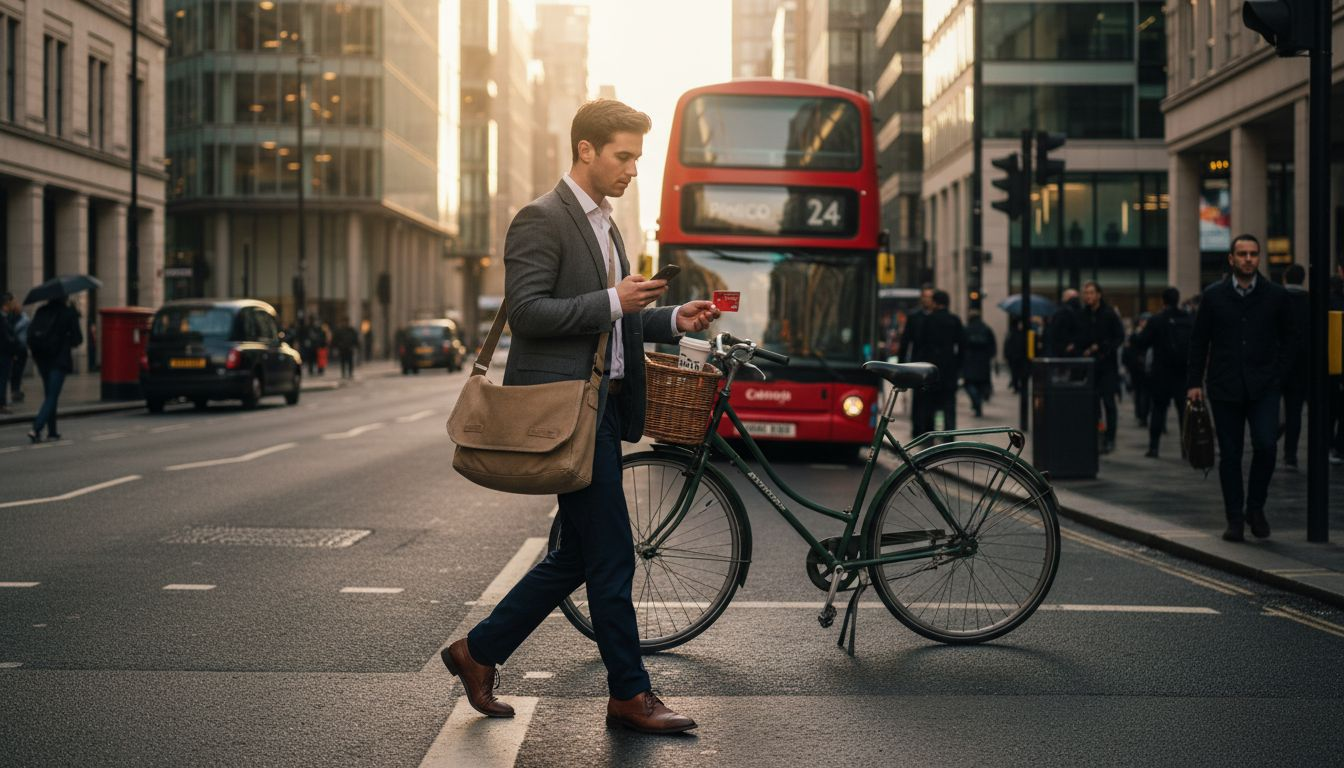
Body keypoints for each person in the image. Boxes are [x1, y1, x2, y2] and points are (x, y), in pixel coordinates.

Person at [441, 99, 718, 734]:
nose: (631, 170)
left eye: (637, 159)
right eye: (623, 156)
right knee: (613, 555)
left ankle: (477, 652)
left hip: (600, 410)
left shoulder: (608, 224)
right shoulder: (540, 219)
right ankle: (629, 694)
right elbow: (529, 313)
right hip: (564, 411)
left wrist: (672, 319)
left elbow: (613, 317)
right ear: (585, 150)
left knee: (579, 557)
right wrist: (610, 298)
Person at [1187, 234, 1296, 542]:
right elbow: (1199, 341)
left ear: (1259, 258)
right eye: (1242, 254)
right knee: (1231, 456)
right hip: (1225, 386)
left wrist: (1278, 375)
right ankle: (1234, 518)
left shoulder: (1276, 295)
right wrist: (1194, 382)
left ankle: (1255, 508)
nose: (1248, 259)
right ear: (1231, 259)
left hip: (1264, 386)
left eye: (1253, 254)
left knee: (1266, 446)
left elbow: (1290, 339)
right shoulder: (1214, 296)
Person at [1135, 288, 1192, 458]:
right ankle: (1186, 449)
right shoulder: (1188, 319)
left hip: (1161, 372)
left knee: (1158, 410)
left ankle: (1154, 447)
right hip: (1182, 372)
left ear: (1163, 300)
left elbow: (1142, 342)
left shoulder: (1157, 319)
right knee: (1184, 413)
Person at [26, 296, 83, 442]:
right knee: (52, 395)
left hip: (42, 358)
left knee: (50, 395)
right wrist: (75, 314)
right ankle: (36, 428)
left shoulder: (41, 310)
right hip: (59, 360)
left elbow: (31, 334)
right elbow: (78, 339)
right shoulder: (68, 313)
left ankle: (52, 431)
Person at [1075, 281, 1124, 453]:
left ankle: (1110, 439)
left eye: (1091, 293)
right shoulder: (1082, 314)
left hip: (1107, 366)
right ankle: (1096, 436)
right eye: (1085, 293)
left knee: (1109, 403)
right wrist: (1084, 349)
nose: (1088, 296)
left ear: (1098, 294)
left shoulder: (1109, 314)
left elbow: (1119, 337)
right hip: (1089, 366)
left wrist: (1104, 347)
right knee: (1092, 404)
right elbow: (1078, 337)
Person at [912, 290, 964, 435]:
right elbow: (962, 346)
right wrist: (957, 366)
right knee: (949, 406)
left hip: (931, 370)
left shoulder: (928, 320)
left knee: (929, 406)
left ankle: (929, 436)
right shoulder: (955, 320)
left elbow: (920, 344)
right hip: (949, 370)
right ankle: (949, 436)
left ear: (935, 303)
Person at [1279, 264, 1309, 471]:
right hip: (1301, 366)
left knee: (1267, 408)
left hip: (1275, 364)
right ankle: (1290, 455)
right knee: (1294, 412)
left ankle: (1268, 443)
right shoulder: (1311, 301)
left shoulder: (1275, 298)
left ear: (1284, 278)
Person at [897, 285, 935, 428]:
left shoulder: (937, 316)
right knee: (918, 397)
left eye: (930, 297)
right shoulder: (914, 316)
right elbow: (906, 341)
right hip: (918, 361)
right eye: (925, 297)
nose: (927, 300)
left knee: (931, 398)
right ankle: (917, 427)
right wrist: (901, 366)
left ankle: (928, 427)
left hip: (934, 363)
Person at [962, 310, 995, 417]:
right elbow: (992, 346)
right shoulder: (986, 329)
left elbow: (962, 345)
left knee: (969, 384)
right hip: (983, 362)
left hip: (970, 361)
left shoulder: (967, 329)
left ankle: (976, 402)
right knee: (981, 384)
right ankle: (978, 402)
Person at [6, 297, 30, 403]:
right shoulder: (19, 319)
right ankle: (15, 391)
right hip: (18, 347)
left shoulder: (15, 318)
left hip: (19, 348)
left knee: (17, 372)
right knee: (16, 372)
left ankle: (15, 391)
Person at [1045, 288, 1081, 357]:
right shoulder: (1081, 311)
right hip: (1075, 349)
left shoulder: (1061, 312)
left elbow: (1054, 331)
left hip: (1061, 349)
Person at [0, 292, 18, 414]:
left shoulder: (7, 317)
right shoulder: (2, 319)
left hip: (5, 353)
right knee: (2, 379)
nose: (14, 304)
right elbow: (7, 338)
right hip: (4, 354)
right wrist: (15, 348)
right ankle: (1, 404)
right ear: (6, 304)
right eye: (12, 302)